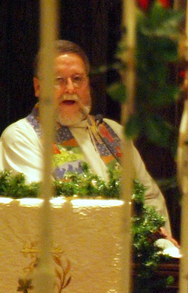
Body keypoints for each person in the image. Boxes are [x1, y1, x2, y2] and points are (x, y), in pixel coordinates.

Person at [0, 40, 171, 229]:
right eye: (58, 80)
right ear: (38, 87)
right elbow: (43, 209)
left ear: (88, 84)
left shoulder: (113, 132)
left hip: (131, 246)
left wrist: (157, 238)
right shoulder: (21, 136)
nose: (70, 89)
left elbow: (149, 196)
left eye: (77, 79)